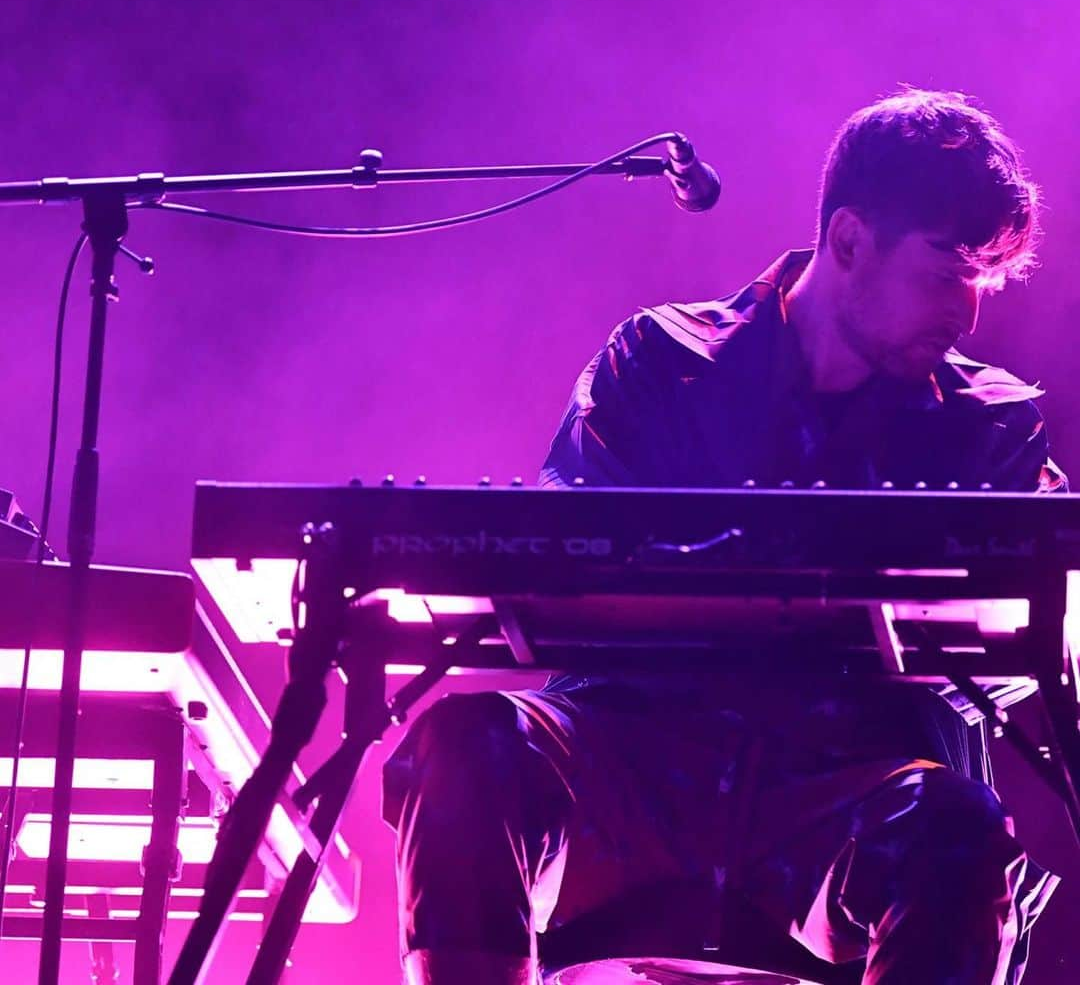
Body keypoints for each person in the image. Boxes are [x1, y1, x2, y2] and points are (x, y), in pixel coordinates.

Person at [382, 89, 1065, 985]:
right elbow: (563, 563)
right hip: (630, 764)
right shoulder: (662, 362)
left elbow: (1041, 640)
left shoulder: (991, 429)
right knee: (470, 744)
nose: (969, 313)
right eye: (947, 273)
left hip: (845, 790)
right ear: (851, 241)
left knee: (956, 829)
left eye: (985, 280)